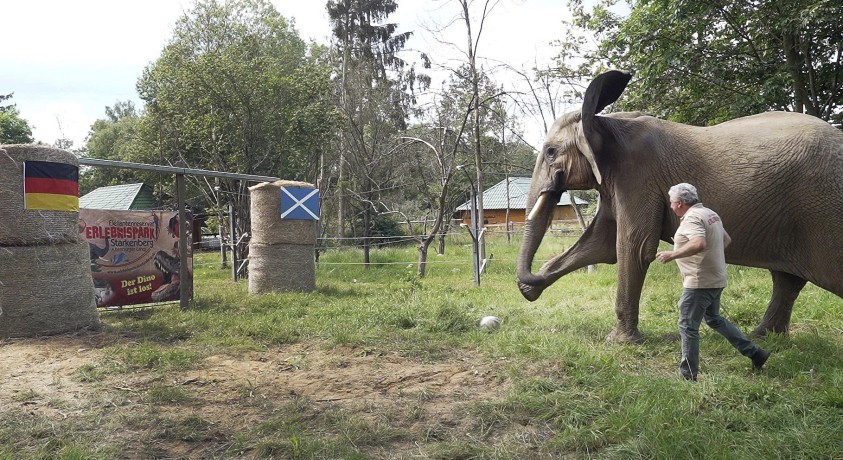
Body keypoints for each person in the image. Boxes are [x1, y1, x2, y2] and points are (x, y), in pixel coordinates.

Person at [655, 183, 770, 381]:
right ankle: (756, 354)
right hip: (716, 278)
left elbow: (699, 243)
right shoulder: (709, 213)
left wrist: (673, 254)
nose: (671, 206)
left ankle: (688, 376)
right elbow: (726, 240)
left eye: (672, 203)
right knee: (714, 319)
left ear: (680, 203)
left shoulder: (691, 218)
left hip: (700, 282)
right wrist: (710, 258)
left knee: (687, 325)